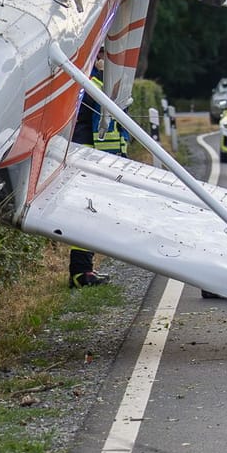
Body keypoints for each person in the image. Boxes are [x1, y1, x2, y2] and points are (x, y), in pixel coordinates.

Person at [67, 65, 128, 288]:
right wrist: (112, 162)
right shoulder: (97, 84)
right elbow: (103, 131)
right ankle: (81, 274)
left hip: (90, 157)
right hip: (91, 159)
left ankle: (84, 271)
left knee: (89, 214)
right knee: (88, 215)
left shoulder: (96, 81)